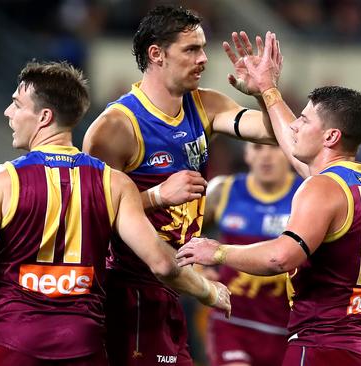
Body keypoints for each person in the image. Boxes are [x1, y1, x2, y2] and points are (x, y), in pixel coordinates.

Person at [0, 61, 230, 366]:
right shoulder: (114, 183)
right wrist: (208, 292)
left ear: (44, 117)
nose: (8, 112)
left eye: (17, 104)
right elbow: (161, 263)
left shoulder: (2, 181)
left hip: (13, 343)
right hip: (83, 345)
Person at [82, 6, 304, 366]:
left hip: (176, 287)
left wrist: (265, 90)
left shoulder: (206, 105)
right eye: (191, 49)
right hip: (130, 291)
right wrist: (155, 196)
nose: (204, 59)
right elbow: (88, 217)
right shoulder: (116, 128)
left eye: (203, 48)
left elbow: (283, 137)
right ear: (156, 54)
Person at [177, 33, 361, 366]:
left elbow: (280, 257)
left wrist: (215, 250)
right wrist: (267, 90)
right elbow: (294, 144)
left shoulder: (321, 188)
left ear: (331, 136)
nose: (296, 127)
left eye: (305, 120)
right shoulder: (358, 181)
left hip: (321, 346)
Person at [203, 142, 303, 366]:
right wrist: (198, 271)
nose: (266, 156)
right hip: (232, 323)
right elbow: (181, 235)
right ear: (246, 154)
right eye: (258, 148)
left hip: (291, 331)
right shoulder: (222, 191)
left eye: (275, 148)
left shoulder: (308, 194)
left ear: (289, 152)